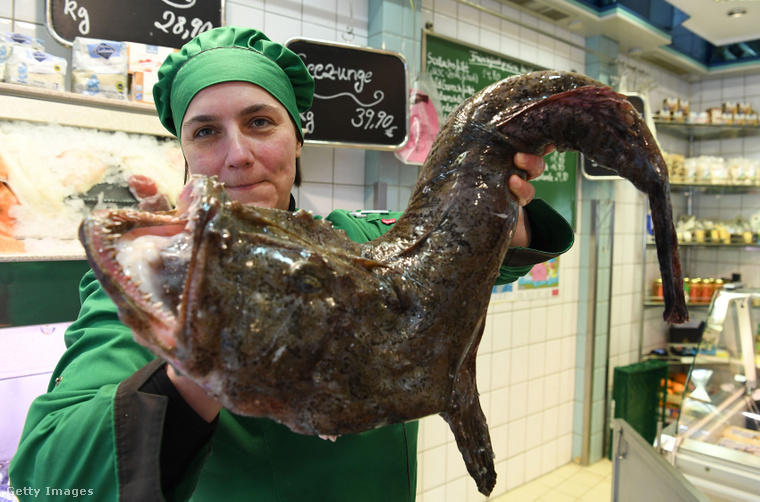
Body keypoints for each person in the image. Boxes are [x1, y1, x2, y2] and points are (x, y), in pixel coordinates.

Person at [9, 26, 573, 501]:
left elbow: (471, 265)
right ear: (185, 153)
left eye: (260, 122)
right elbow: (46, 479)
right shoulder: (154, 286)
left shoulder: (363, 239)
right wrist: (200, 351)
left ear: (297, 138)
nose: (238, 154)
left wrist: (497, 214)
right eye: (206, 131)